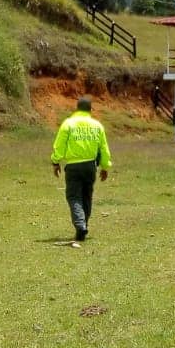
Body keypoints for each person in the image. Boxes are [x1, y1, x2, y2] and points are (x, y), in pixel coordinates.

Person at [51, 96, 112, 242]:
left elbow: (59, 145)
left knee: (74, 196)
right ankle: (83, 224)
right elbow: (103, 148)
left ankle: (80, 225)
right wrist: (105, 166)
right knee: (86, 196)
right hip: (90, 166)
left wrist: (55, 161)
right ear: (91, 110)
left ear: (76, 109)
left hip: (73, 166)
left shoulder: (68, 124)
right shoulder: (97, 126)